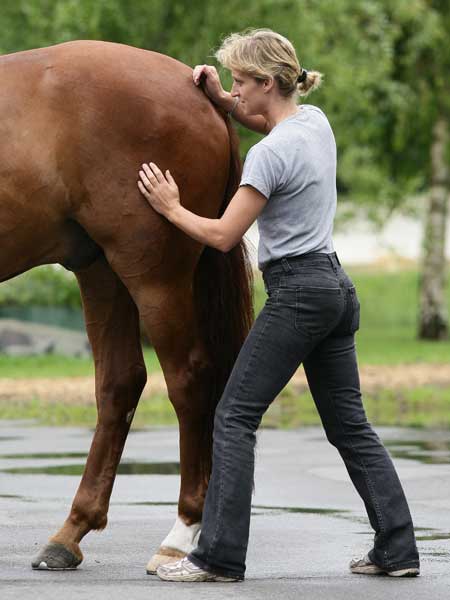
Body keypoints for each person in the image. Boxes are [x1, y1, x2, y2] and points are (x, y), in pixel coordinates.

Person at [137, 28, 420, 583]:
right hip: (336, 289)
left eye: (242, 82)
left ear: (268, 82)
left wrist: (170, 207)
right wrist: (222, 99)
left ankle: (217, 556)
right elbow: (267, 119)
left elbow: (221, 236)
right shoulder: (315, 123)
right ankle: (398, 547)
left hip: (296, 295)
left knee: (234, 416)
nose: (237, 92)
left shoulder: (268, 156)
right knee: (351, 426)